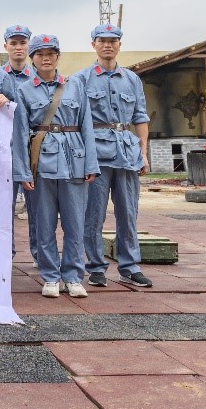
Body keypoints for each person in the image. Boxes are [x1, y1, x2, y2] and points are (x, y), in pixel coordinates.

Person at [10, 34, 98, 299]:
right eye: (40, 54)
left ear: (58, 56)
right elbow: (20, 133)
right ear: (32, 59)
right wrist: (23, 171)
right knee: (44, 224)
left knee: (75, 224)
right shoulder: (24, 90)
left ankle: (73, 276)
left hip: (75, 161)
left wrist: (91, 163)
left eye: (50, 53)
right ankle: (50, 276)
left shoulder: (76, 86)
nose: (45, 58)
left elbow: (87, 126)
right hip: (42, 163)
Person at [76, 24, 153, 289]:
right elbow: (76, 120)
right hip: (96, 153)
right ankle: (96, 267)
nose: (108, 45)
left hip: (127, 152)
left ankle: (129, 267)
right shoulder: (82, 79)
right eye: (102, 40)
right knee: (93, 214)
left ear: (120, 45)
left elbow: (140, 117)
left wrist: (143, 153)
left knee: (128, 213)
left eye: (113, 41)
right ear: (93, 45)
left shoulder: (132, 79)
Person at [0, 23, 36, 262]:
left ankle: (39, 256)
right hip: (6, 150)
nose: (18, 47)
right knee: (4, 208)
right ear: (5, 46)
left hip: (37, 149)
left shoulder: (38, 76)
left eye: (22, 42)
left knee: (38, 209)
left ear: (28, 46)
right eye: (13, 43)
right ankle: (8, 257)